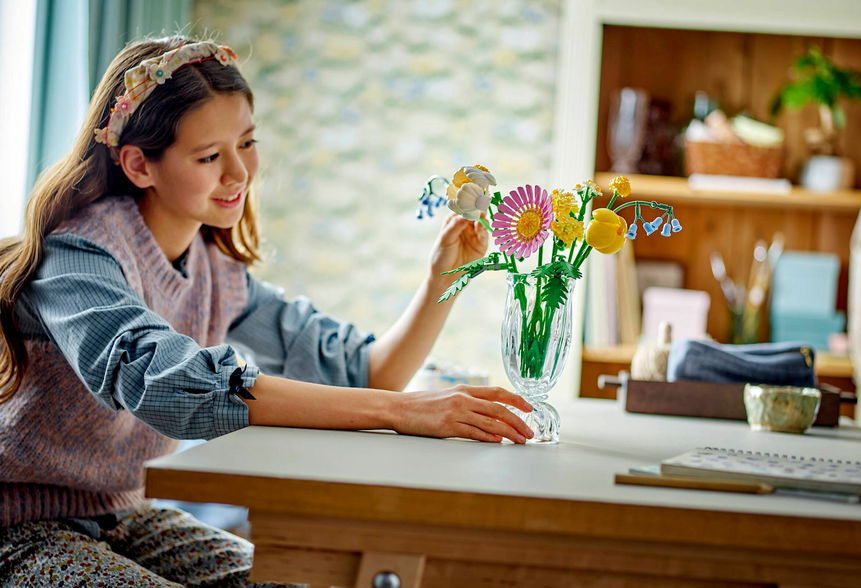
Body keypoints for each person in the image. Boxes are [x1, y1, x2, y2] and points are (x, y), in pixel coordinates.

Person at [0, 36, 533, 587]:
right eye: (209, 157)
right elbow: (163, 381)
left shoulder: (214, 271)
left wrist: (442, 277)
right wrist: (401, 412)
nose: (239, 173)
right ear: (139, 165)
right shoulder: (76, 257)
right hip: (17, 528)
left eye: (247, 143)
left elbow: (367, 373)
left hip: (125, 514)